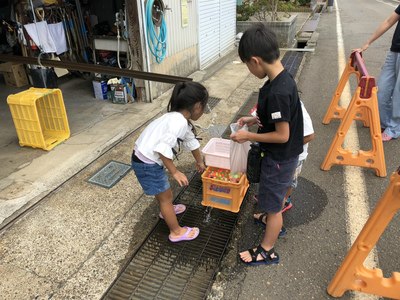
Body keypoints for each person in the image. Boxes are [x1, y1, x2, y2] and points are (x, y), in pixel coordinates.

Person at [231, 23, 304, 265]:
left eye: (247, 66)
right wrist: (255, 119)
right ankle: (269, 218)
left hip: (280, 157)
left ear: (255, 61)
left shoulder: (277, 93)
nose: (249, 70)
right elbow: (281, 117)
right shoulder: (282, 78)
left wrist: (249, 135)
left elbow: (282, 135)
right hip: (283, 156)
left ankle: (266, 249)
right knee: (272, 198)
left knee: (275, 207)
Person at [131, 81, 208, 242]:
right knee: (166, 196)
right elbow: (162, 148)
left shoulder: (178, 119)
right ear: (198, 106)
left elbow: (191, 141)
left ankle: (167, 210)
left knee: (163, 193)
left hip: (143, 158)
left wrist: (200, 161)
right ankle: (176, 231)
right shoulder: (178, 122)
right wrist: (175, 171)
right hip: (147, 163)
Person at [253, 101, 314, 227]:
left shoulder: (296, 110)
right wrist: (254, 120)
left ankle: (279, 207)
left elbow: (309, 136)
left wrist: (284, 145)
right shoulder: (284, 103)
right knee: (286, 181)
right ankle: (280, 201)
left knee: (286, 183)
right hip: (287, 155)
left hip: (294, 156)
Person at [352, 5, 400, 141]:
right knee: (381, 90)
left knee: (398, 94)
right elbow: (390, 21)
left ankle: (394, 128)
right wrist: (368, 42)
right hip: (395, 51)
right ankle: (384, 123)